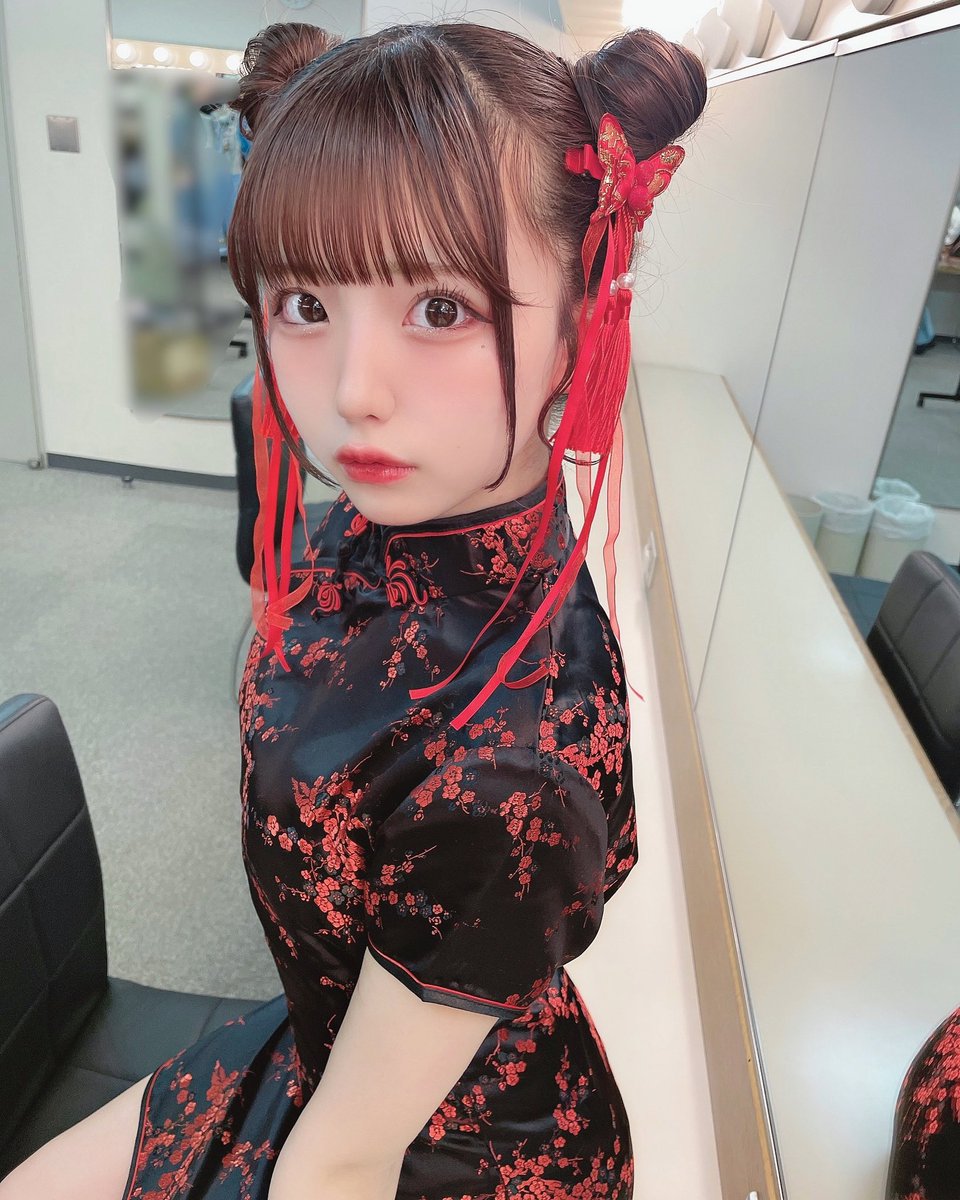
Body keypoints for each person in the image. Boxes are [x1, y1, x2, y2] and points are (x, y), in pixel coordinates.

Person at [0, 18, 705, 1200]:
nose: (352, 391)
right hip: (333, 1041)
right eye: (304, 303)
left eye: (441, 309)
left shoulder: (510, 762)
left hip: (441, 1151)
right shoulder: (396, 521)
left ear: (584, 314)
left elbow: (343, 1162)